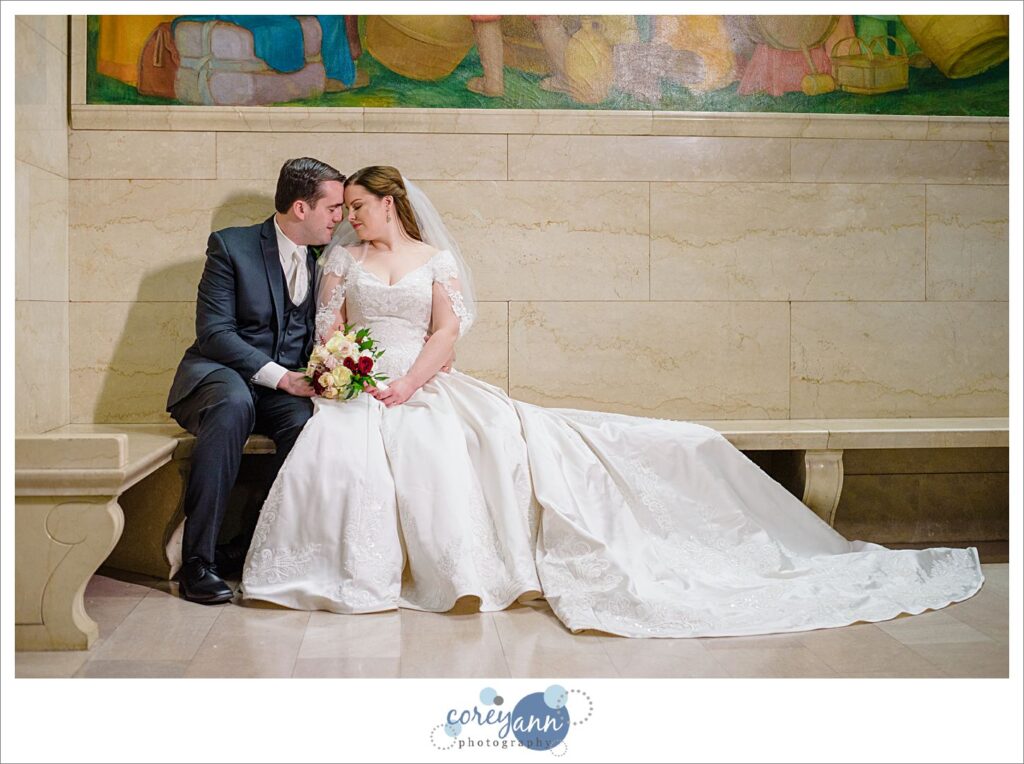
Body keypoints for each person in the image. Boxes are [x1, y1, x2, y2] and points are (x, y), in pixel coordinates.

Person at [240, 166, 984, 638]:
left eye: (361, 208)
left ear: (391, 204)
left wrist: (409, 383)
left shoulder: (432, 261)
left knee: (471, 440)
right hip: (359, 383)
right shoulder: (340, 260)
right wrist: (344, 372)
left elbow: (446, 336)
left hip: (423, 381)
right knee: (340, 451)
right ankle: (343, 572)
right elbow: (330, 328)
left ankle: (472, 571)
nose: (349, 220)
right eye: (347, 211)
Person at [166, 157, 346, 604]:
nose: (340, 218)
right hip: (220, 376)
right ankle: (197, 563)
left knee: (310, 424)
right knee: (232, 405)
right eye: (334, 208)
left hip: (284, 388)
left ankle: (248, 547)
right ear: (301, 208)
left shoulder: (327, 257)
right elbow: (215, 333)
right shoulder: (231, 247)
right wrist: (282, 378)